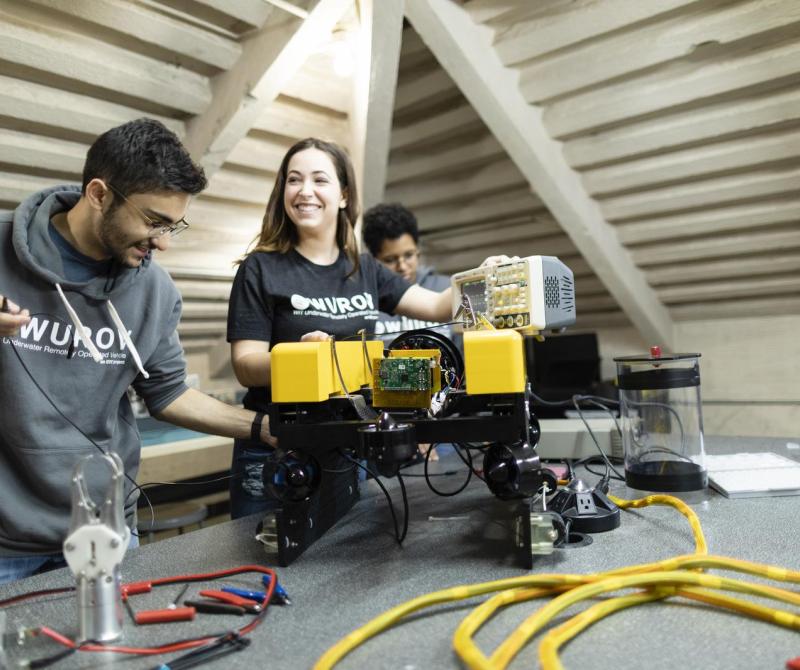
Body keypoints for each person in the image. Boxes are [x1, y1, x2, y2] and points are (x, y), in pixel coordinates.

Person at [0, 118, 275, 584]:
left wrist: (263, 428)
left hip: (107, 533)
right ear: (99, 194)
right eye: (154, 222)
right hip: (6, 545)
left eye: (175, 225)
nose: (164, 243)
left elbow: (168, 394)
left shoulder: (155, 291)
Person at [227, 138, 511, 519]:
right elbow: (245, 364)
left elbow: (440, 305)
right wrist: (302, 357)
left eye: (319, 180)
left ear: (343, 195)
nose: (304, 191)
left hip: (346, 447)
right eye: (294, 180)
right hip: (277, 448)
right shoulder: (259, 269)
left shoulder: (364, 269)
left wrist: (485, 276)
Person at [362, 203, 454, 345]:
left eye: (409, 255)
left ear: (418, 250)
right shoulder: (366, 303)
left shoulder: (447, 290)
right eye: (390, 260)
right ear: (375, 262)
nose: (402, 266)